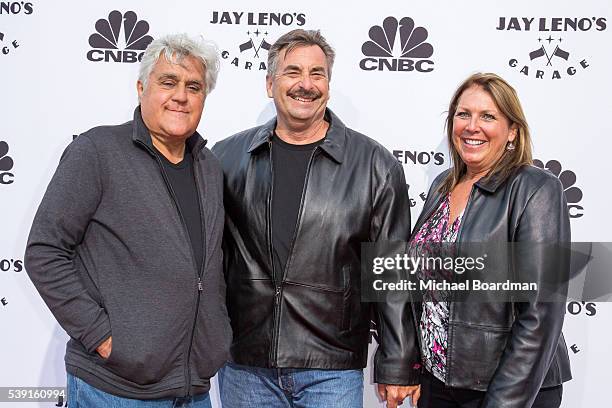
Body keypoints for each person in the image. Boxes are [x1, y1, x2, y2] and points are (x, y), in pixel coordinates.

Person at [212, 29, 420, 408]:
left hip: (331, 367)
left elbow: (392, 273)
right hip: (246, 364)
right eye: (293, 72)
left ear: (328, 83)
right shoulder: (227, 158)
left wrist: (398, 361)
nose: (305, 85)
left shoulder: (374, 165)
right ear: (269, 83)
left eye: (317, 74)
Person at [24, 33, 231, 407]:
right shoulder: (97, 152)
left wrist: (216, 338)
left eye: (194, 86)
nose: (181, 96)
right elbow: (45, 251)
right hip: (115, 388)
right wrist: (102, 335)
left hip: (193, 388)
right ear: (141, 87)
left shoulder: (209, 167)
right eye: (168, 82)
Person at [409, 72, 571, 407]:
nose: (472, 126)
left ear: (512, 130)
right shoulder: (442, 186)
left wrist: (504, 401)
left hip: (508, 390)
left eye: (488, 116)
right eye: (463, 114)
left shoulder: (535, 189)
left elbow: (541, 313)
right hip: (439, 383)